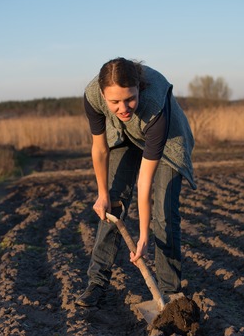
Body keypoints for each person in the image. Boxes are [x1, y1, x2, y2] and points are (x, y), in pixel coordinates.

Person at [76, 57, 196, 307]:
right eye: (114, 102)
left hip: (167, 143)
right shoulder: (92, 96)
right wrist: (102, 194)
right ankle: (97, 282)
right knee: (112, 204)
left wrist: (142, 237)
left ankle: (170, 293)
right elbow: (99, 149)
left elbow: (145, 182)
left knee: (164, 214)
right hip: (124, 136)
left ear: (139, 87)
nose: (123, 107)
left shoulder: (154, 107)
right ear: (102, 94)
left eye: (129, 98)